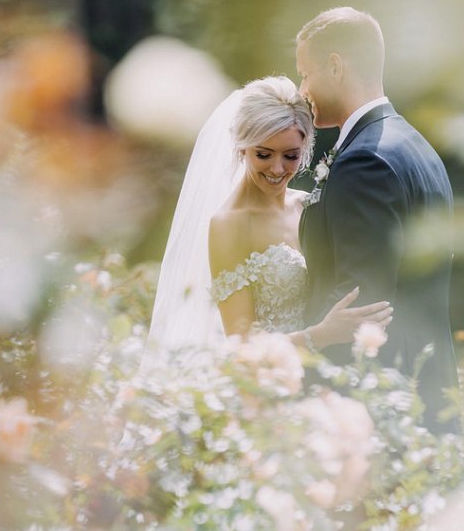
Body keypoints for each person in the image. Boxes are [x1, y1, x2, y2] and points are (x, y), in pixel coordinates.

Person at [144, 76, 392, 370]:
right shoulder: (230, 225)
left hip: (329, 374)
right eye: (263, 154)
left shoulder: (310, 205)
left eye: (290, 156)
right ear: (242, 148)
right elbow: (241, 348)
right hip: (271, 386)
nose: (277, 169)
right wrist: (323, 334)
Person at [295, 7, 459, 432]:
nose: (302, 89)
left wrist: (304, 397)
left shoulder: (364, 161)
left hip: (381, 410)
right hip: (427, 393)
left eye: (305, 74)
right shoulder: (414, 144)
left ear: (334, 66)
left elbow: (358, 309)